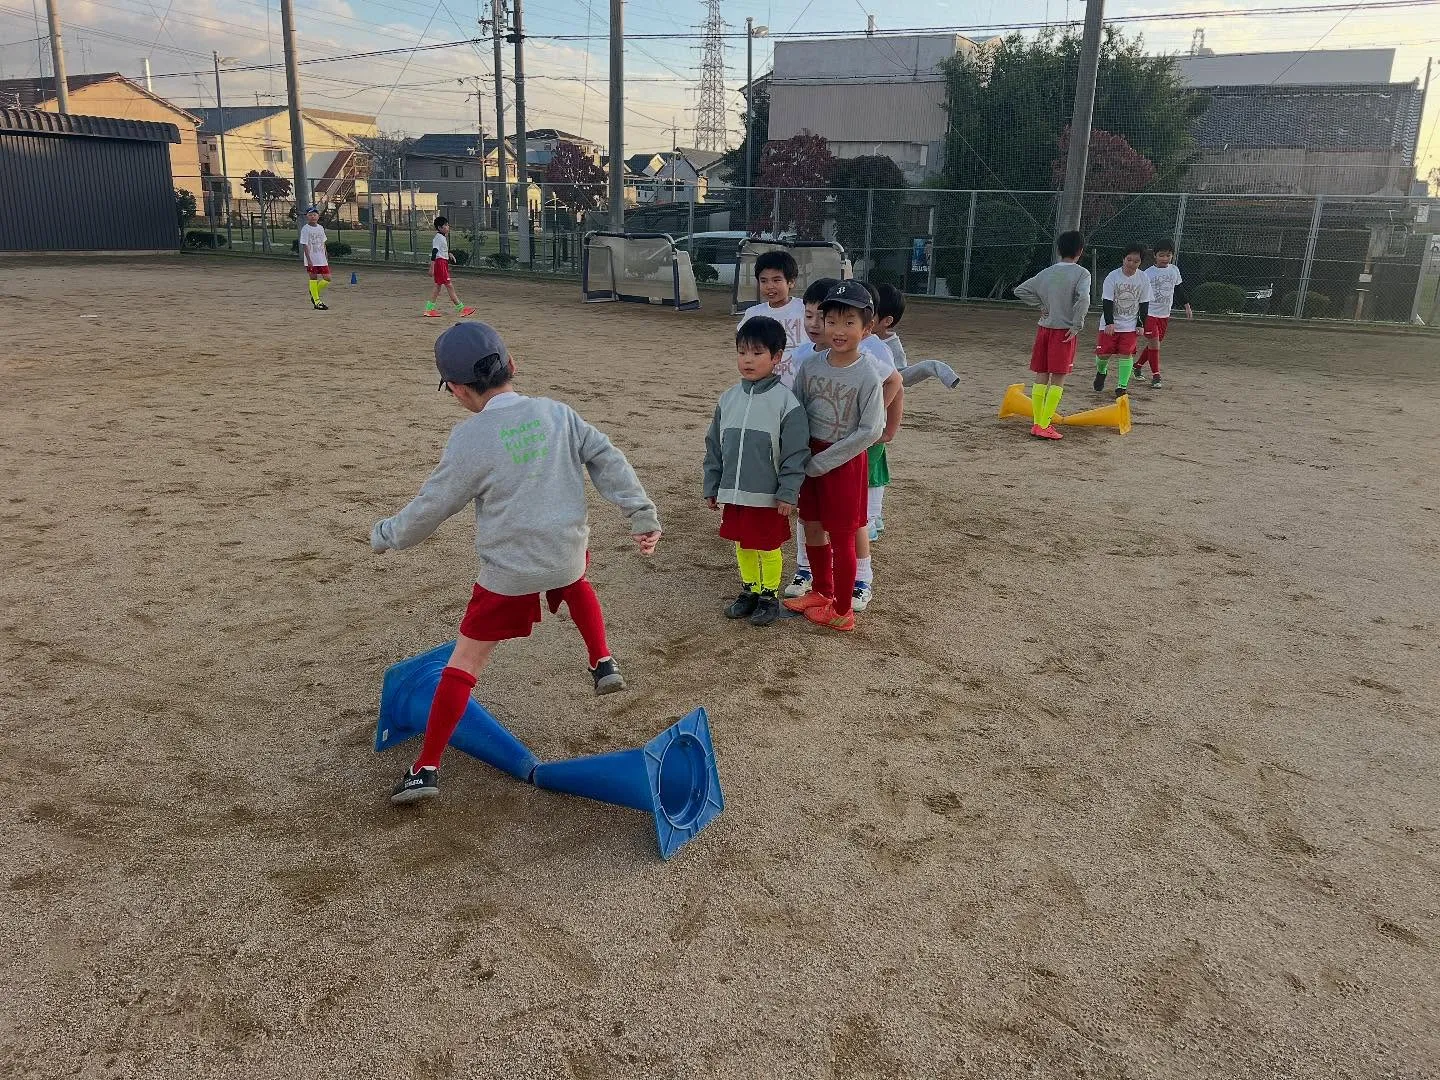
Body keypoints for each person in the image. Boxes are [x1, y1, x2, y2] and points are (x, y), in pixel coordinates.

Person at [374, 321, 662, 804]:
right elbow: (608, 458)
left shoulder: (470, 439)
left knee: (465, 661)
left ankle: (425, 768)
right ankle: (602, 660)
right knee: (575, 576)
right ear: (512, 366)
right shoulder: (559, 413)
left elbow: (431, 507)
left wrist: (387, 535)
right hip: (565, 556)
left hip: (510, 573)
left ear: (459, 390)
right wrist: (641, 514)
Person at [784, 279, 901, 610]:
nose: (838, 329)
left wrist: (824, 462)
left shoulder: (867, 372)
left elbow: (869, 429)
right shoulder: (810, 365)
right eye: (831, 320)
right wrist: (794, 451)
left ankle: (841, 610)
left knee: (842, 534)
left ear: (867, 328)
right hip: (810, 456)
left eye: (850, 322)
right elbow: (796, 410)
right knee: (812, 525)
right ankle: (821, 590)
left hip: (844, 462)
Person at [703, 316, 810, 628]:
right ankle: (749, 590)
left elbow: (795, 454)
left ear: (776, 358)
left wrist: (788, 492)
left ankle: (768, 596)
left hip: (767, 495)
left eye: (757, 353)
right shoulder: (728, 399)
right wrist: (712, 484)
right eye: (742, 352)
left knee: (767, 545)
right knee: (743, 543)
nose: (748, 360)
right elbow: (714, 445)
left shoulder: (786, 403)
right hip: (735, 492)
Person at [1013, 230, 1092, 440]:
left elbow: (1020, 290)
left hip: (1044, 329)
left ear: (1058, 250)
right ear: (1080, 251)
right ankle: (1044, 424)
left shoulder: (1046, 272)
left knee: (1042, 374)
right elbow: (1084, 299)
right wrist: (1077, 324)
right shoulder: (1082, 273)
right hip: (1064, 331)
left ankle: (1038, 423)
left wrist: (1041, 305)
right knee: (1058, 377)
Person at [736, 250, 805, 386]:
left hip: (799, 385)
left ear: (791, 282)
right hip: (766, 386)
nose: (770, 286)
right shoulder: (753, 314)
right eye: (764, 281)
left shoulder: (804, 309)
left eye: (776, 280)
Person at [873, 283, 961, 390]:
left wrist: (932, 366)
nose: (862, 317)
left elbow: (902, 377)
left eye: (870, 313)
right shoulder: (856, 335)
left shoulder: (892, 345)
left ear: (887, 321)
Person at [1093, 243, 1152, 399]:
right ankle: (1101, 371)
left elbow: (1144, 303)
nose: (1132, 264)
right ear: (1123, 259)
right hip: (1111, 322)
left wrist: (1140, 324)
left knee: (1126, 354)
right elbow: (1107, 301)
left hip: (1130, 324)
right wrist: (1109, 322)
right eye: (1129, 259)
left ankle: (1121, 387)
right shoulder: (1113, 276)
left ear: (1140, 262)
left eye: (1136, 261)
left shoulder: (1143, 278)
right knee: (1104, 354)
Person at [1137, 240, 1191, 389]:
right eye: (1161, 255)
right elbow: (1141, 295)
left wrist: (1187, 305)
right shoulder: (1148, 273)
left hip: (1164, 314)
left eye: (1168, 255)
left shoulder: (1174, 270)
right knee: (1155, 343)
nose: (1165, 259)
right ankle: (1156, 375)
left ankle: (1138, 365)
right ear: (1155, 256)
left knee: (1154, 345)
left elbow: (1179, 289)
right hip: (1150, 314)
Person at [423, 216, 477, 319]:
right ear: (439, 227)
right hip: (440, 264)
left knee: (438, 287)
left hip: (442, 263)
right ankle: (461, 309)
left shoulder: (441, 237)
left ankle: (429, 309)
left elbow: (439, 251)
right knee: (449, 286)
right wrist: (432, 267)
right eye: (446, 225)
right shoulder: (438, 238)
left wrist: (448, 254)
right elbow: (434, 252)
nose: (448, 227)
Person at [298, 207, 331, 311]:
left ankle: (314, 292)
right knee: (313, 278)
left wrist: (325, 255)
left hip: (321, 258)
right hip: (311, 258)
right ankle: (317, 301)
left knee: (327, 278)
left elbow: (323, 243)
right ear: (307, 217)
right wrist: (309, 260)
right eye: (310, 215)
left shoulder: (320, 228)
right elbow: (305, 245)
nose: (313, 217)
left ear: (318, 216)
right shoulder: (305, 229)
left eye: (315, 215)